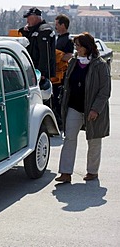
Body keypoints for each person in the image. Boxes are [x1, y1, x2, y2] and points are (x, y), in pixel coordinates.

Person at [55, 32, 111, 183]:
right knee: (69, 138)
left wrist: (95, 110)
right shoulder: (73, 62)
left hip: (93, 109)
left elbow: (105, 91)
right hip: (74, 106)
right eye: (76, 46)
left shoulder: (100, 65)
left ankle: (92, 171)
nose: (76, 49)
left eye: (79, 46)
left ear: (87, 47)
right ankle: (65, 173)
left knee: (94, 140)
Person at [18, 7, 56, 93]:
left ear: (35, 17)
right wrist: (26, 32)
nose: (27, 21)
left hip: (39, 73)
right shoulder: (35, 30)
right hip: (32, 70)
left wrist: (41, 72)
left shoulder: (44, 30)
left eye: (29, 18)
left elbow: (44, 54)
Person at [52, 14, 74, 130]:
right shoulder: (57, 39)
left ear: (63, 25)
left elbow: (69, 56)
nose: (55, 27)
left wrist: (56, 56)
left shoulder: (68, 40)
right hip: (54, 75)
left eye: (57, 24)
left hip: (62, 76)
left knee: (59, 100)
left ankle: (61, 123)